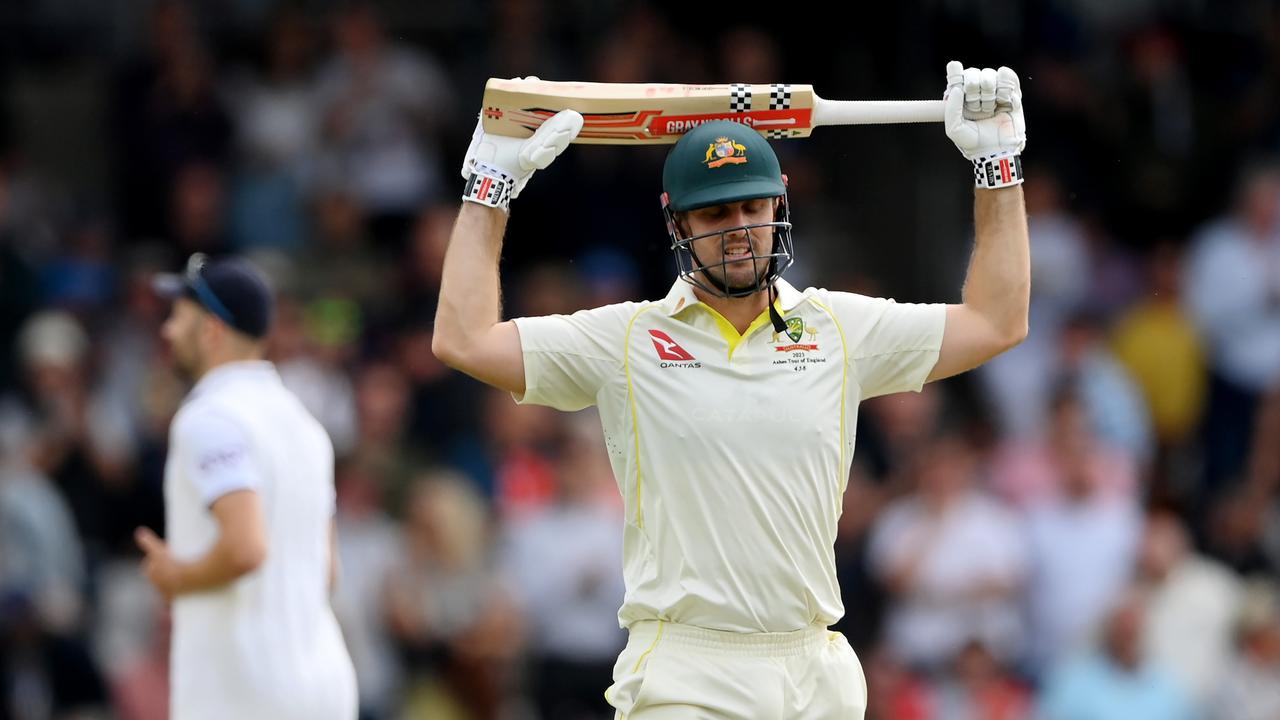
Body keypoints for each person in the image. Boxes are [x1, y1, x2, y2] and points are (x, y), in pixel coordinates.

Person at [433, 60, 1030, 719]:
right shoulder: (627, 341)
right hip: (686, 673)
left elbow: (996, 321)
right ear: (678, 225)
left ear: (779, 204)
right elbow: (463, 339)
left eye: (753, 205)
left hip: (814, 670)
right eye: (716, 212)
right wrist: (487, 189)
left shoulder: (840, 327)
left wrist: (997, 167)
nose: (741, 229)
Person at [135, 253, 357, 720]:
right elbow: (328, 570)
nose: (167, 331)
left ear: (212, 331)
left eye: (178, 317)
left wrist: (178, 577)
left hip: (243, 689)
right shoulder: (304, 424)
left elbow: (245, 547)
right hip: (326, 685)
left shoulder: (209, 417)